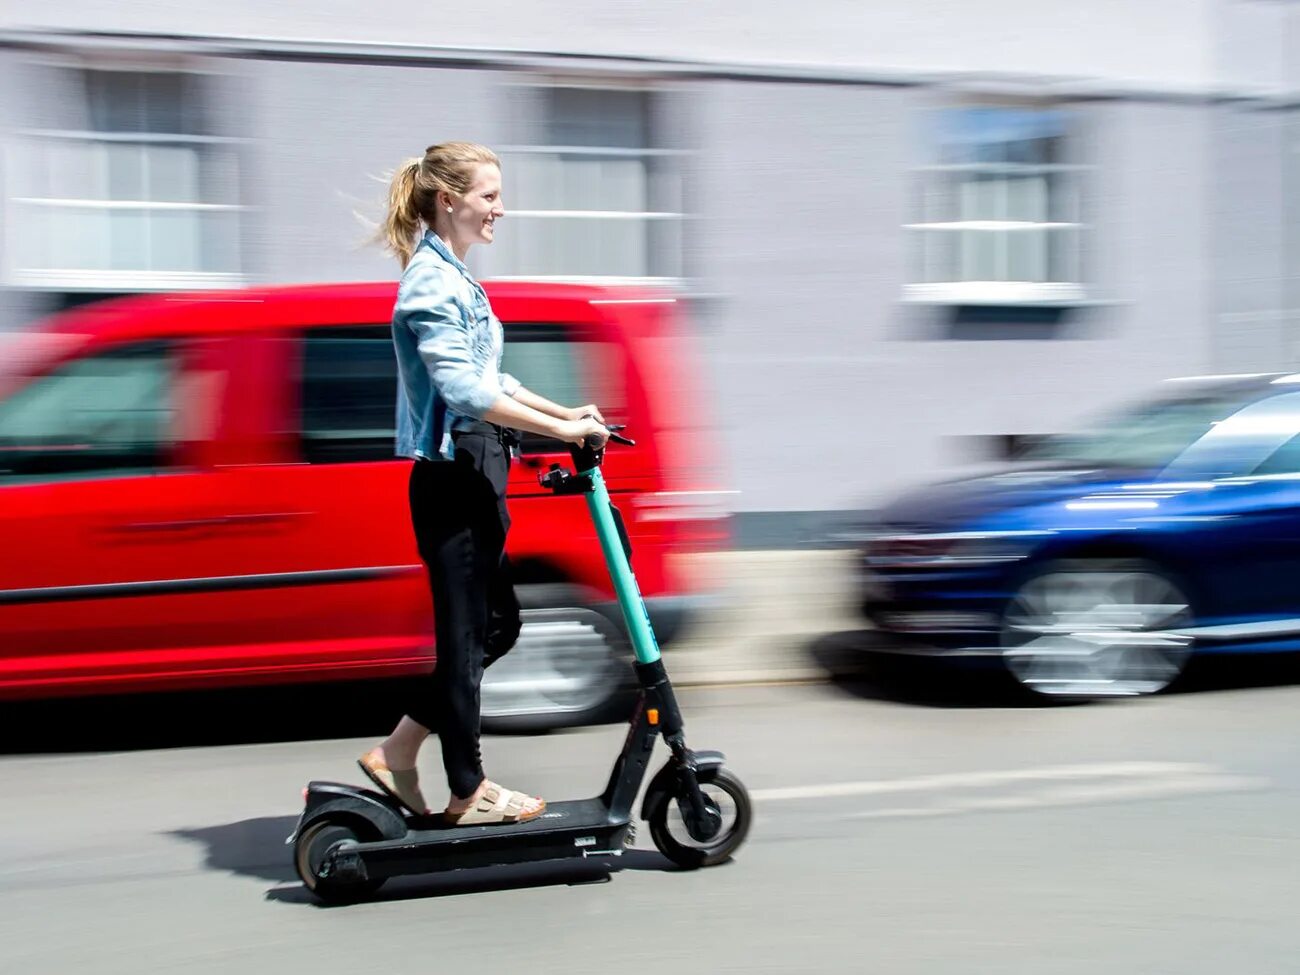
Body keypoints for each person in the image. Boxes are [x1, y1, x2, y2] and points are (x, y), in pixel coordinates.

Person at [358, 142, 608, 825]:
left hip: (479, 471)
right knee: (467, 639)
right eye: (490, 195)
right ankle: (467, 788)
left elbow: (492, 376)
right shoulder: (430, 283)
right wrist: (559, 435)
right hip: (455, 476)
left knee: (496, 627)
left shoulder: (457, 277)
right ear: (449, 200)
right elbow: (465, 389)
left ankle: (399, 751)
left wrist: (567, 412)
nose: (502, 208)